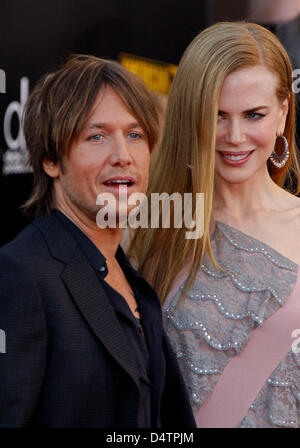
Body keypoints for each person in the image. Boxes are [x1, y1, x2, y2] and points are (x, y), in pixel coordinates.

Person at [0, 54, 195, 428]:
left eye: (134, 135)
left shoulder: (132, 278)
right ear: (51, 160)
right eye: (97, 136)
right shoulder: (22, 275)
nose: (123, 156)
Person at [129, 22, 300, 428]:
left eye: (253, 115)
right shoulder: (148, 227)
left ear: (282, 114)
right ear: (190, 116)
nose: (234, 136)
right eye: (216, 115)